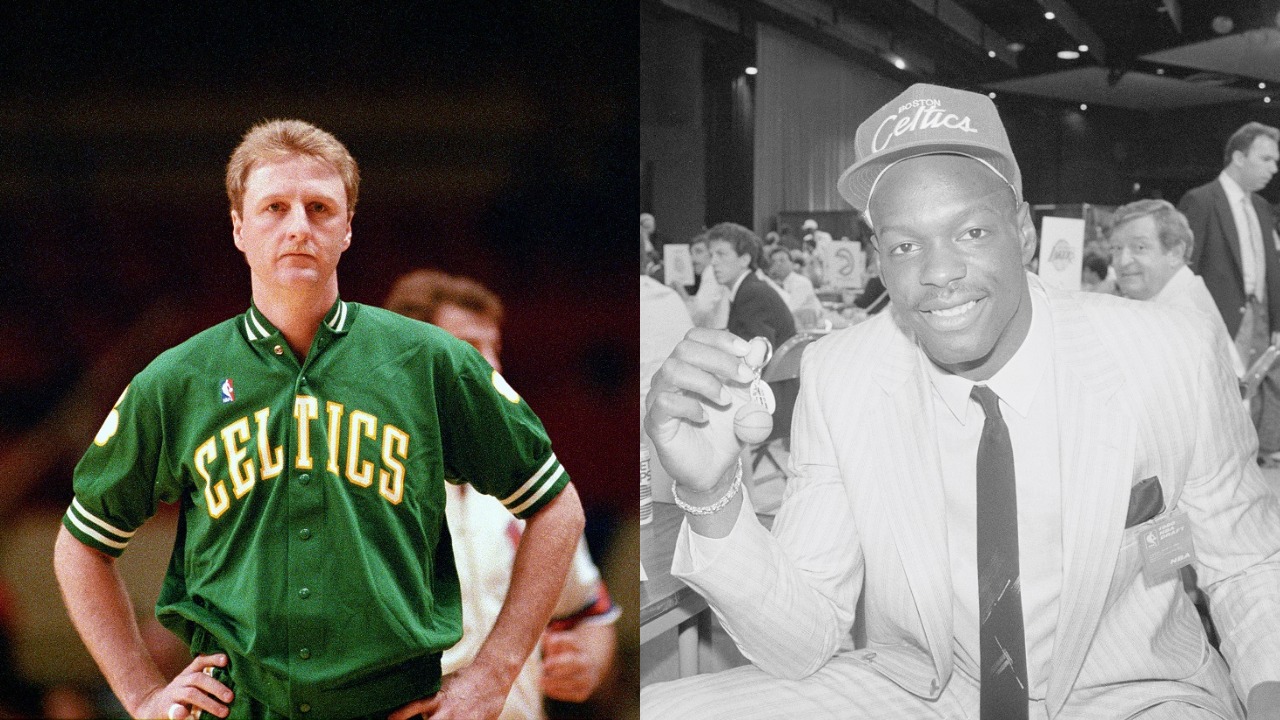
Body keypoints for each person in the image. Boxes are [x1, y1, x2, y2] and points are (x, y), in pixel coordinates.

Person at [642, 84, 1280, 719]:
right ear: (879, 264)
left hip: (1137, 695)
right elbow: (804, 642)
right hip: (931, 691)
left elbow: (1247, 563)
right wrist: (711, 491)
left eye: (971, 231)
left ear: (1024, 234)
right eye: (904, 245)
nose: (938, 271)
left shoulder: (1164, 352)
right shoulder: (843, 375)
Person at [52, 119, 585, 720]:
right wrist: (143, 695)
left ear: (348, 228)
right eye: (274, 207)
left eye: (320, 208)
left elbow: (557, 507)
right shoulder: (176, 381)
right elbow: (81, 545)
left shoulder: (431, 363)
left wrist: (493, 675)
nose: (298, 227)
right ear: (238, 227)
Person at [383, 268, 620, 720]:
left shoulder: (533, 484)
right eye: (470, 348)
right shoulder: (360, 483)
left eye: (495, 348)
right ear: (406, 359)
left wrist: (586, 663)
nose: (490, 366)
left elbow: (590, 612)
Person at [1179, 122, 1280, 463]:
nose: (1273, 168)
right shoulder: (1201, 200)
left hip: (1261, 317)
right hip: (1218, 320)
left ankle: (1249, 463)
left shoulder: (1263, 208)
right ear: (1239, 156)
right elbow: (1186, 268)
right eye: (1265, 159)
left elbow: (1272, 270)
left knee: (1256, 396)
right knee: (1221, 400)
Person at [1107, 198, 1245, 377]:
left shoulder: (1183, 315)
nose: (1123, 261)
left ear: (1175, 253)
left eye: (1139, 247)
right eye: (1116, 249)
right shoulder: (1178, 294)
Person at [706, 222, 796, 347]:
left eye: (721, 254)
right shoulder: (748, 288)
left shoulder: (752, 293)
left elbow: (755, 359)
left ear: (744, 260)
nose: (713, 262)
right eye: (711, 255)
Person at [765, 246, 823, 324]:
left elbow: (788, 310)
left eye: (782, 260)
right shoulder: (779, 283)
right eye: (774, 261)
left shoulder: (801, 282)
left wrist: (768, 282)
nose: (778, 264)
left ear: (791, 263)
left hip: (810, 330)